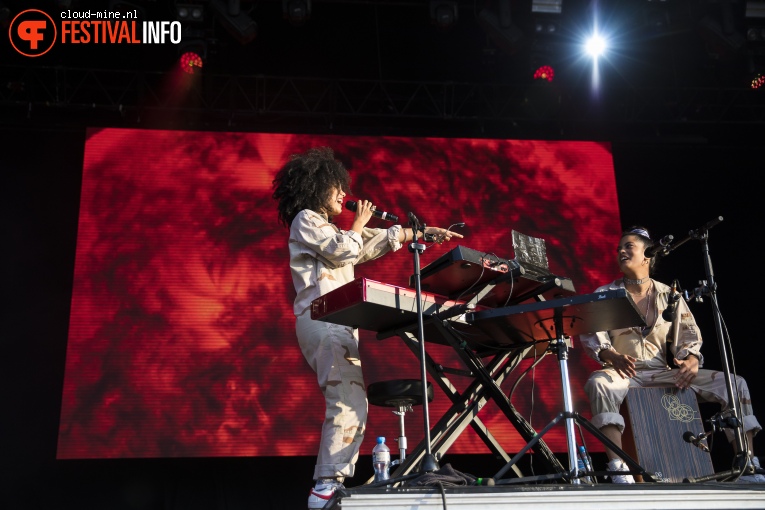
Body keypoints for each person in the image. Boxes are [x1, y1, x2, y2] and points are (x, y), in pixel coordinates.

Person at [271, 147, 463, 508]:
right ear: (316, 187)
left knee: (353, 403)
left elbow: (367, 243)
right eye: (336, 188)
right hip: (323, 320)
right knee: (346, 401)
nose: (344, 195)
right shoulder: (306, 220)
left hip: (336, 323)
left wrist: (415, 233)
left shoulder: (329, 228)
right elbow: (345, 248)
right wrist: (357, 225)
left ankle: (330, 482)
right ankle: (325, 486)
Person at [581, 226, 763, 484]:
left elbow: (689, 337)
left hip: (667, 373)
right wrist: (612, 356)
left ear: (648, 254)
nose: (621, 251)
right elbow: (592, 335)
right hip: (626, 373)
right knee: (599, 383)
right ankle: (618, 467)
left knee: (736, 384)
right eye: (618, 248)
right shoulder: (605, 294)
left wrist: (691, 360)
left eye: (628, 246)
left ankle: (747, 465)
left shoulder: (669, 294)